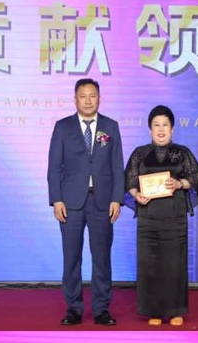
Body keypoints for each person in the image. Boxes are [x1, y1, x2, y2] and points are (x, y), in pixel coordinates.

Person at [47, 78, 125, 326]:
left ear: (99, 98)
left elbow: (117, 166)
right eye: (83, 96)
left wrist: (117, 199)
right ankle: (74, 309)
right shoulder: (63, 127)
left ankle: (101, 309)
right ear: (75, 99)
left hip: (102, 202)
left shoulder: (111, 127)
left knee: (102, 257)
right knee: (71, 257)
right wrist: (56, 199)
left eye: (92, 95)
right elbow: (53, 167)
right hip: (70, 203)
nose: (88, 100)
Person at [124, 104, 198, 327]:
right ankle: (154, 310)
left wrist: (179, 183)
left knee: (174, 265)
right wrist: (136, 194)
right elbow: (129, 180)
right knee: (150, 266)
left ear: (172, 129)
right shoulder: (140, 153)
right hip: (148, 220)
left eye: (165, 125)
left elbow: (196, 176)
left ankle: (176, 310)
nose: (160, 129)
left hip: (174, 218)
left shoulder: (182, 153)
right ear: (150, 129)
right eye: (156, 125)